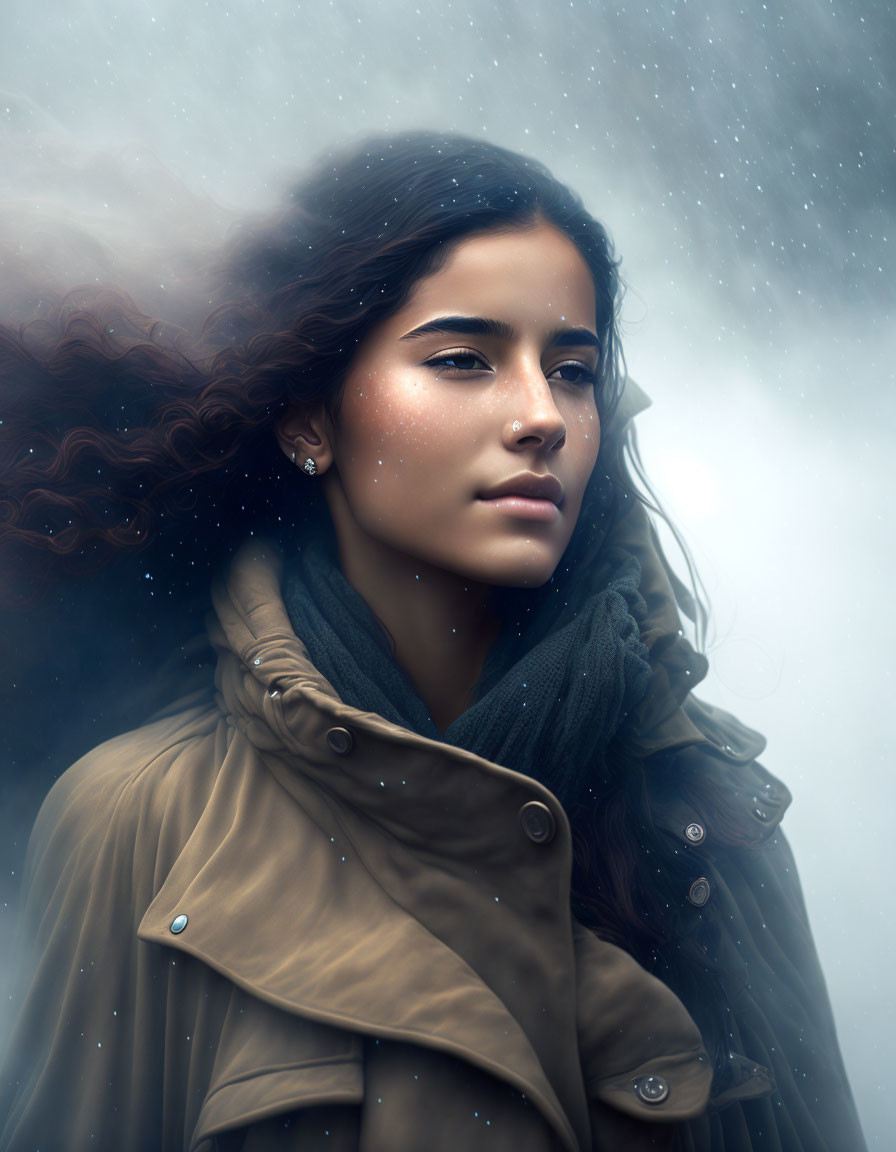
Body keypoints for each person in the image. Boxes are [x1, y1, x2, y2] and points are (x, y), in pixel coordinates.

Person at [0, 132, 866, 1151]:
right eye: (463, 360)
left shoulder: (696, 805)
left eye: (573, 369)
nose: (541, 415)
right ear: (310, 419)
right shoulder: (137, 818)